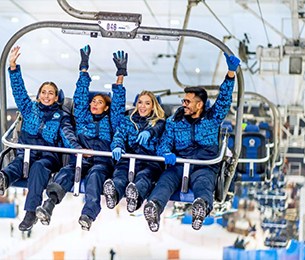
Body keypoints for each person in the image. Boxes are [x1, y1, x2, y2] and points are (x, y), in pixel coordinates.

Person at [143, 53, 241, 232]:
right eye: (184, 101)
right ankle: (154, 207)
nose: (184, 104)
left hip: (205, 165)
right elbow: (164, 142)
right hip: (180, 164)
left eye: (188, 101)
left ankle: (201, 207)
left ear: (200, 105)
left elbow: (224, 100)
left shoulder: (212, 119)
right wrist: (166, 153)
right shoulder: (175, 121)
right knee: (166, 181)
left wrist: (230, 74)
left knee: (204, 183)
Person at [35, 46, 126, 231]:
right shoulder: (83, 118)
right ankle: (49, 204)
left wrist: (120, 75)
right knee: (66, 173)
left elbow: (118, 104)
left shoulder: (112, 121)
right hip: (80, 158)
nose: (94, 104)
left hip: (101, 162)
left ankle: (88, 214)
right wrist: (83, 67)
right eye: (94, 101)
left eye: (99, 102)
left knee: (94, 178)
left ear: (106, 108)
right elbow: (81, 95)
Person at [0, 46, 81, 231]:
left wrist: (78, 149)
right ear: (39, 95)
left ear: (56, 98)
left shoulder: (61, 116)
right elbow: (19, 92)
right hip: (26, 153)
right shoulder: (29, 110)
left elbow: (68, 136)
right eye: (43, 92)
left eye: (50, 93)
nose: (46, 95)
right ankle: (3, 178)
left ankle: (30, 213)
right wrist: (13, 67)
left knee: (37, 168)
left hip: (47, 157)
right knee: (16, 164)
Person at [102, 89, 166, 213]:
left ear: (153, 106)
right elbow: (119, 135)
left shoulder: (160, 123)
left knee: (144, 177)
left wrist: (163, 151)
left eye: (147, 103)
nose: (142, 106)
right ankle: (114, 194)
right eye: (140, 102)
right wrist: (118, 146)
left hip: (149, 161)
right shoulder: (128, 121)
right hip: (129, 158)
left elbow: (162, 138)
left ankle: (135, 197)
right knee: (120, 174)